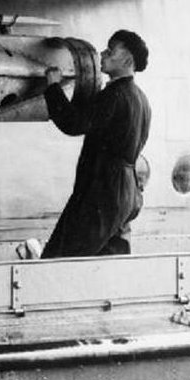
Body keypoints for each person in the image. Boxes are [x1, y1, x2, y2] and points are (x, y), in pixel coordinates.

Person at [40, 29, 151, 258]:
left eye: (111, 51)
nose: (102, 54)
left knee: (59, 259)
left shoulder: (114, 95)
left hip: (102, 192)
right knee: (105, 261)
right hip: (125, 193)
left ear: (128, 59)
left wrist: (53, 88)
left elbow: (73, 123)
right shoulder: (140, 98)